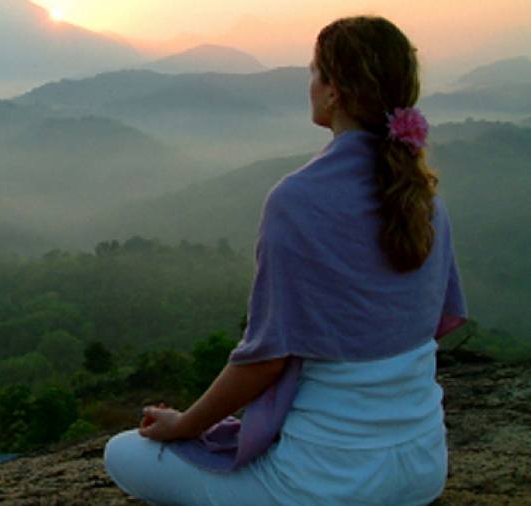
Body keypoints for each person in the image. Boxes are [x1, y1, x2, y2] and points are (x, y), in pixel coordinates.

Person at [103, 16, 468, 506]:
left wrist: (185, 424)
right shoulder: (426, 200)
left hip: (326, 485)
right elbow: (426, 324)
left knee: (122, 453)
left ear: (334, 91)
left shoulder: (296, 200)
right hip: (423, 471)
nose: (310, 84)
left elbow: (265, 361)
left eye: (314, 72)